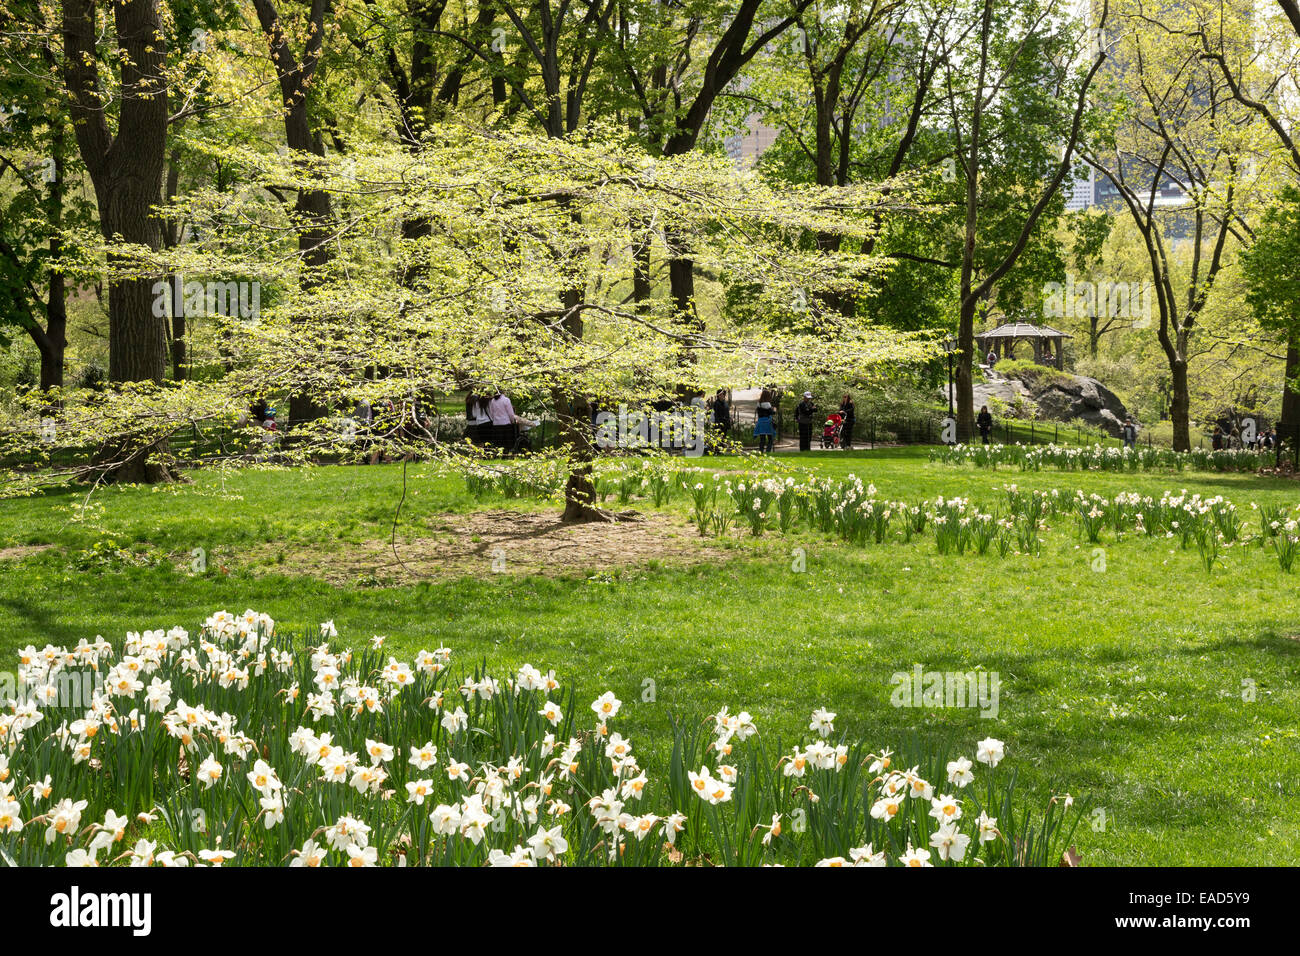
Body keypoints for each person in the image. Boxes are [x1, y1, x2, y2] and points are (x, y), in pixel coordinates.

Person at [753, 389, 777, 454]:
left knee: (762, 439)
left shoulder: (759, 404)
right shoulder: (768, 404)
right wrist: (774, 410)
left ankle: (761, 452)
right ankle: (768, 451)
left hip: (760, 422)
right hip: (767, 422)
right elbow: (771, 413)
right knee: (770, 438)